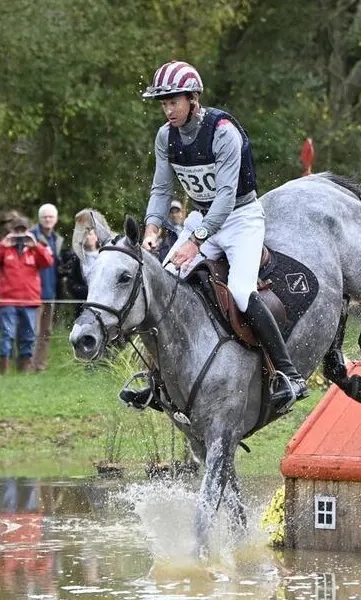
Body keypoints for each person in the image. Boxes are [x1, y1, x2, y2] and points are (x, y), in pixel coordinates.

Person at [138, 60, 307, 413]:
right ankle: (155, 378)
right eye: (164, 103)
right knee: (163, 284)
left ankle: (288, 375)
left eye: (174, 101)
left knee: (242, 292)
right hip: (202, 217)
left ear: (193, 99)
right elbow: (160, 187)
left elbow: (227, 197)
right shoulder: (164, 136)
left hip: (241, 218)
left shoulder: (223, 132)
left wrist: (194, 241)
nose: (168, 109)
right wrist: (152, 226)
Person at [0, 217, 54, 374]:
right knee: (7, 334)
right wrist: (2, 245)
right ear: (11, 231)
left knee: (28, 336)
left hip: (30, 300)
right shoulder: (4, 249)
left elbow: (48, 262)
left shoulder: (34, 249)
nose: (20, 234)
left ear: (28, 231)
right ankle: (3, 370)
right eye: (17, 231)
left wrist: (35, 246)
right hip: (8, 300)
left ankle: (24, 370)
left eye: (23, 230)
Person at [32, 203, 63, 371]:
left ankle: (40, 365)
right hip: (33, 292)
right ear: (39, 219)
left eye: (51, 217)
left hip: (50, 291)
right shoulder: (31, 237)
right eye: (44, 217)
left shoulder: (57, 239)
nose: (48, 220)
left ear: (56, 219)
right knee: (33, 332)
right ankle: (27, 364)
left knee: (46, 332)